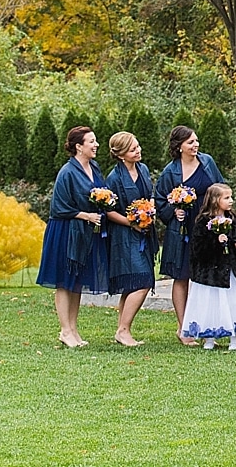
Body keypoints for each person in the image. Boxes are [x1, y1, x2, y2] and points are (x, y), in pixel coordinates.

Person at [36, 125, 110, 348]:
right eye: (91, 141)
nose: (96, 145)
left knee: (77, 281)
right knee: (64, 282)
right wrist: (86, 215)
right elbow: (58, 207)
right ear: (79, 146)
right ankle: (65, 330)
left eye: (95, 141)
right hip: (65, 232)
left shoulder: (94, 168)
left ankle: (73, 329)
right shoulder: (67, 172)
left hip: (85, 233)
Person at [154, 125, 225, 345]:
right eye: (190, 142)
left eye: (196, 141)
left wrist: (220, 215)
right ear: (179, 146)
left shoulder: (207, 163)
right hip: (182, 229)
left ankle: (205, 324)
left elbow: (221, 188)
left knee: (204, 276)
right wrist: (173, 211)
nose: (195, 145)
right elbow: (159, 200)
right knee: (182, 275)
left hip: (205, 225)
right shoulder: (170, 171)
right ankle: (183, 327)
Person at [180, 183, 236, 350]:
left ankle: (233, 338)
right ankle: (209, 337)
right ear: (215, 200)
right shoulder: (203, 221)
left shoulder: (232, 219)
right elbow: (197, 249)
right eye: (227, 197)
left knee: (233, 302)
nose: (231, 201)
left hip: (230, 270)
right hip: (209, 273)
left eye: (231, 197)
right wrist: (215, 242)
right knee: (210, 303)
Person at [103, 131, 157, 346]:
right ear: (121, 154)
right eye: (133, 149)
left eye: (138, 146)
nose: (138, 150)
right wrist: (132, 222)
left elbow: (149, 195)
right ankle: (124, 330)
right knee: (142, 281)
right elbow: (108, 210)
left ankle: (122, 330)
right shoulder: (114, 177)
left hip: (144, 232)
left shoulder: (142, 169)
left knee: (133, 282)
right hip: (124, 235)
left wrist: (149, 211)